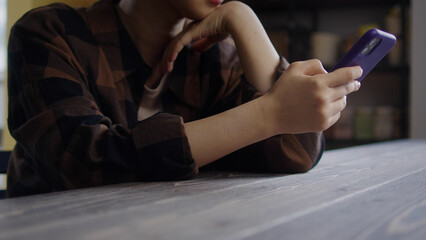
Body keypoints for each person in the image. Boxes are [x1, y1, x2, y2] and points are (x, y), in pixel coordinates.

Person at [6, 0, 362, 197]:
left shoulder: (217, 55)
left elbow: (297, 150)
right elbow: (83, 163)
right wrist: (268, 114)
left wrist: (245, 19)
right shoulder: (49, 33)